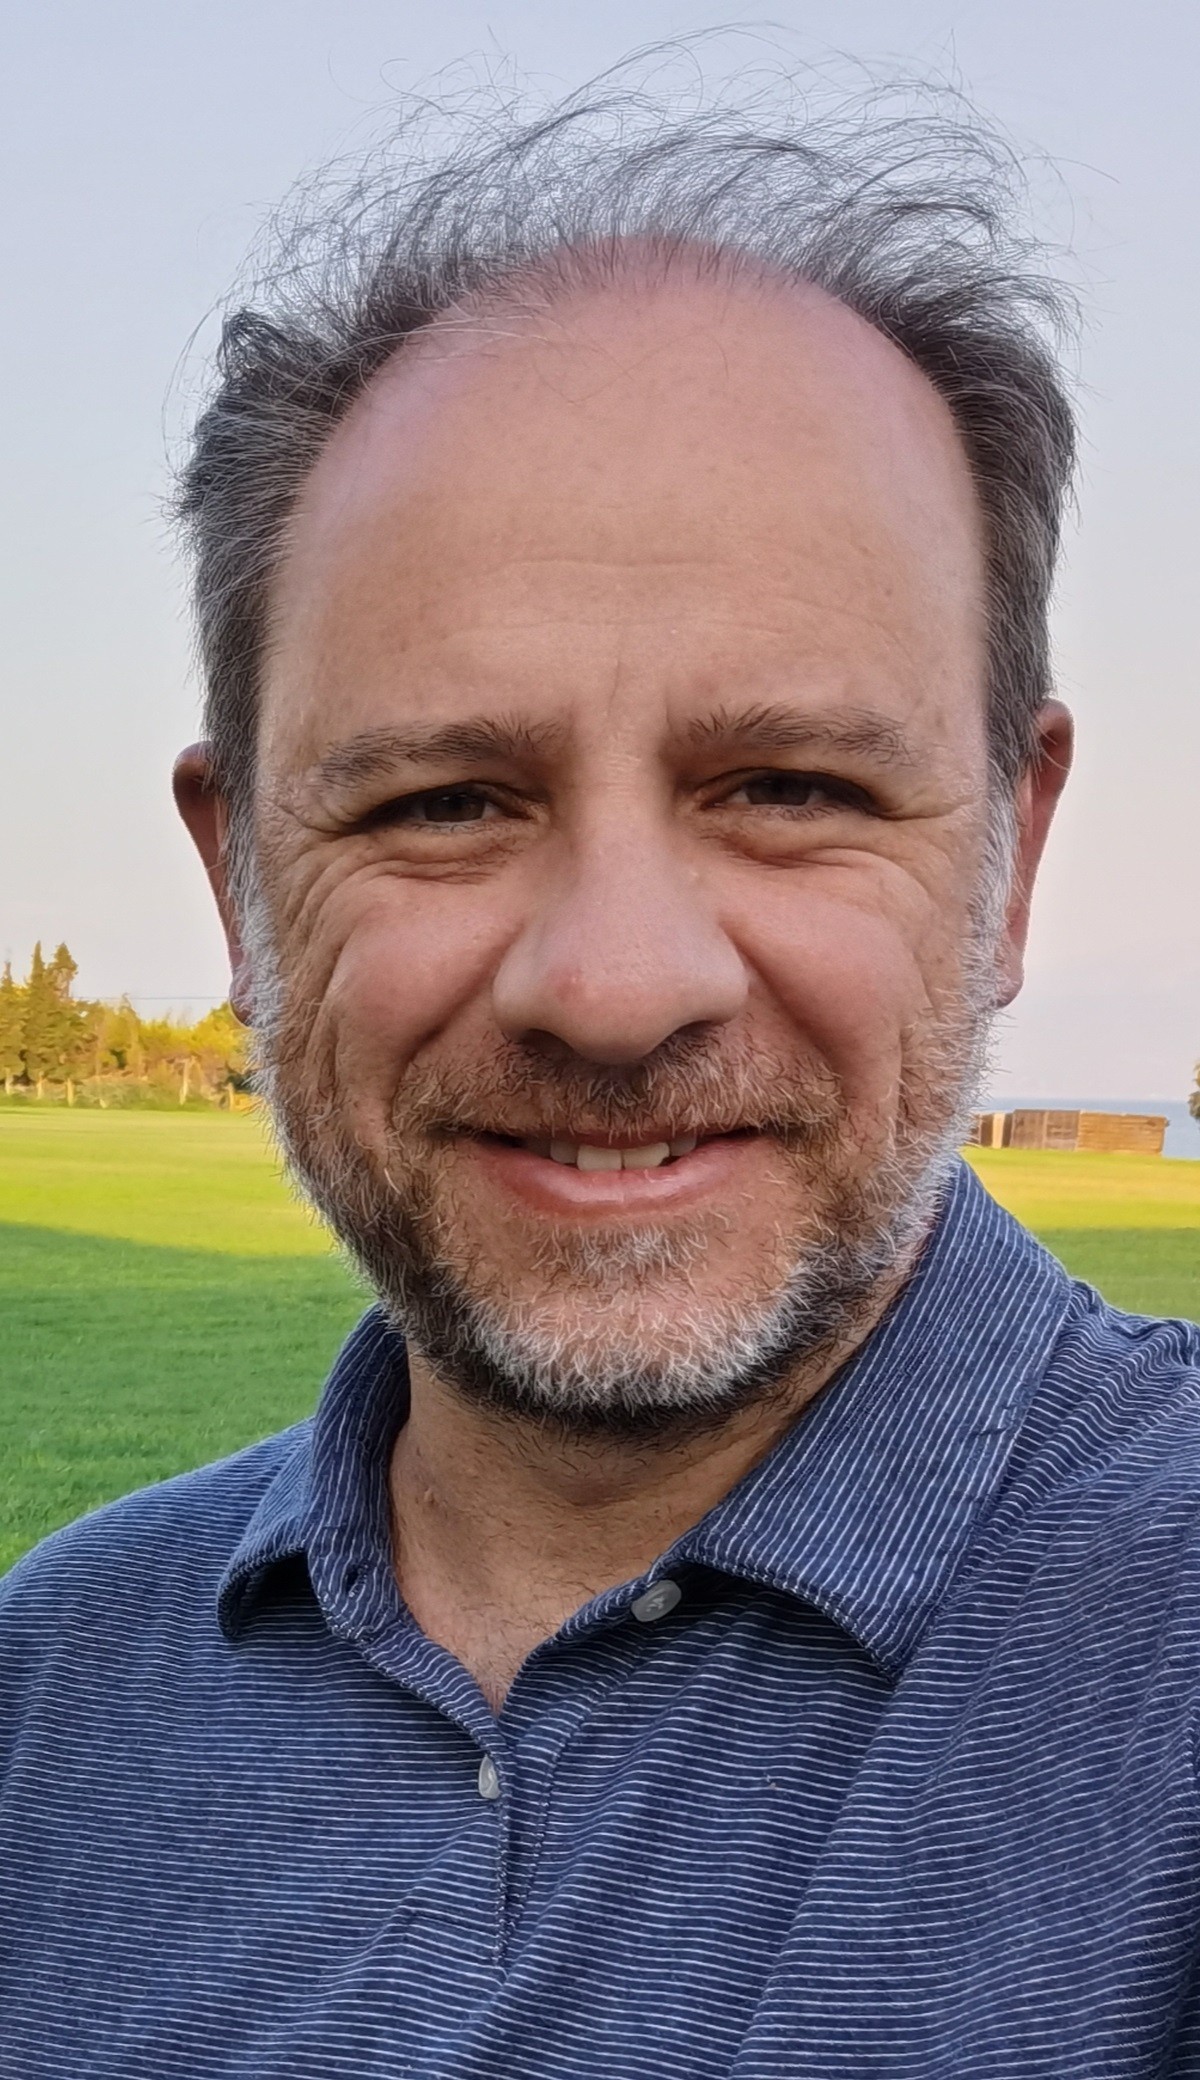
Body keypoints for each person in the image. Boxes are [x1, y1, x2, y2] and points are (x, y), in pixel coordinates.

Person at [3, 65, 1199, 2080]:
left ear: (1012, 850)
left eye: (791, 786)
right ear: (240, 884)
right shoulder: (52, 1683)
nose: (617, 987)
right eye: (445, 801)